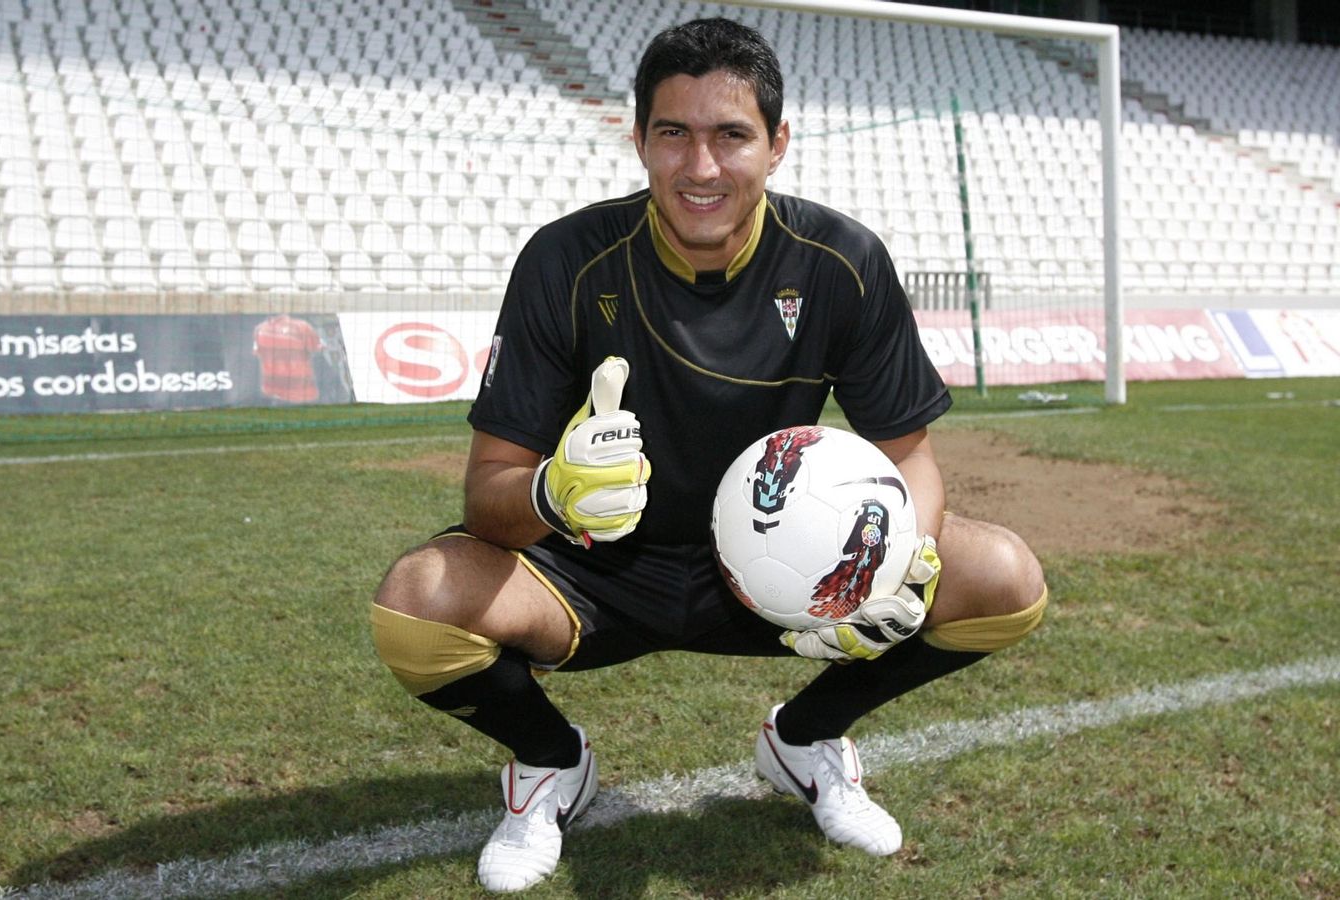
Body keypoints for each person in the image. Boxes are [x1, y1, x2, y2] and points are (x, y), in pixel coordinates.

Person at [371, 17, 1047, 893]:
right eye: (673, 134)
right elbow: (488, 496)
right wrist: (555, 490)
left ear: (777, 145)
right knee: (417, 604)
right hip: (595, 571)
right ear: (640, 140)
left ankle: (804, 739)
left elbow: (910, 458)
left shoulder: (843, 262)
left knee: (1001, 579)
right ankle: (549, 762)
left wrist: (900, 566)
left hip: (778, 576)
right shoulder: (566, 260)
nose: (701, 167)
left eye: (731, 135)